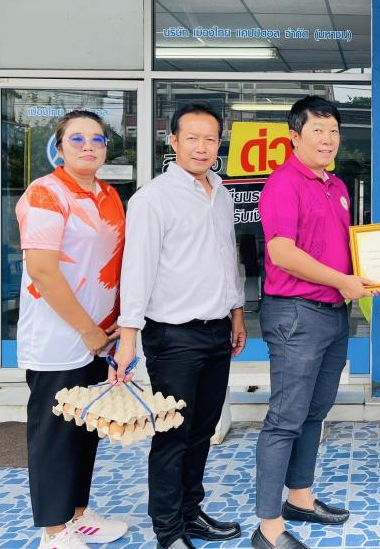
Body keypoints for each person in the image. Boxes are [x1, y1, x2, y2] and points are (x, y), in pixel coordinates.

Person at [111, 103, 247, 549]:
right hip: (173, 336)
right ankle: (168, 531)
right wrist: (128, 339)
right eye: (192, 138)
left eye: (210, 139)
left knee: (203, 429)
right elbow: (137, 270)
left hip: (217, 330)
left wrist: (237, 312)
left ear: (219, 143)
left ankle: (191, 513)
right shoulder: (152, 198)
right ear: (172, 142)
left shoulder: (221, 193)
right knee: (173, 433)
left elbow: (228, 258)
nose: (202, 147)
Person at [251, 96, 371, 549]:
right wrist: (343, 281)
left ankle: (299, 497)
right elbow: (282, 252)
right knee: (285, 419)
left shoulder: (335, 185)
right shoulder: (283, 183)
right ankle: (268, 527)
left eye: (333, 130)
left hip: (333, 313)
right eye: (317, 130)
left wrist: (368, 275)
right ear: (294, 137)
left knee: (314, 412)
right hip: (296, 315)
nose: (327, 139)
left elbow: (338, 249)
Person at [16, 109, 129, 549]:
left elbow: (113, 263)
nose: (88, 146)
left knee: (86, 427)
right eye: (77, 138)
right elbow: (43, 270)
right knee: (55, 433)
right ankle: (53, 530)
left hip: (100, 337)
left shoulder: (109, 195)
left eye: (97, 140)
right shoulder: (46, 192)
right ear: (59, 146)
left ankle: (78, 514)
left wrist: (116, 324)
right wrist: (87, 330)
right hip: (60, 337)